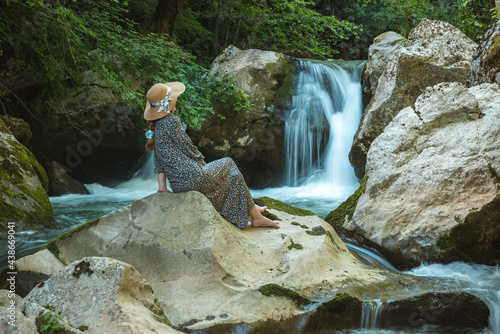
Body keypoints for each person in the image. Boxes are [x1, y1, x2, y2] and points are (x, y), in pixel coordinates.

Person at [144, 82, 280, 230]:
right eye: (174, 98)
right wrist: (203, 164)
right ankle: (255, 215)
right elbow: (187, 146)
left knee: (233, 177)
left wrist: (162, 187)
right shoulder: (171, 121)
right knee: (229, 162)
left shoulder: (156, 128)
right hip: (193, 177)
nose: (176, 99)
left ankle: (252, 210)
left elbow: (159, 162)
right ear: (168, 103)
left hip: (179, 185)